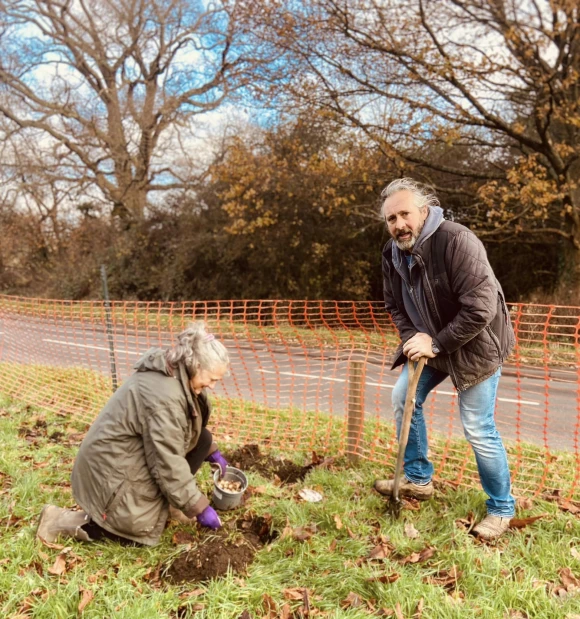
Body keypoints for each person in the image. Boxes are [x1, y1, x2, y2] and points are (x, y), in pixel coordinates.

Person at [374, 177, 516, 540]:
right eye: (391, 219)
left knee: (478, 428)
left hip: (474, 346)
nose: (398, 224)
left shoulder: (456, 240)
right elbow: (394, 305)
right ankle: (419, 478)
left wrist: (435, 343)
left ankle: (501, 509)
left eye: (405, 213)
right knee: (403, 398)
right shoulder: (392, 253)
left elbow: (481, 307)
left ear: (424, 211)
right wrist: (413, 339)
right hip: (430, 343)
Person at [36, 322, 230, 546]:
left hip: (125, 454)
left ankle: (172, 505)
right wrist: (198, 507)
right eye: (212, 379)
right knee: (133, 533)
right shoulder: (164, 397)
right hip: (108, 472)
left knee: (203, 440)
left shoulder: (179, 375)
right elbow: (167, 461)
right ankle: (58, 520)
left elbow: (183, 428)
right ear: (195, 365)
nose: (213, 386)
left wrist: (211, 451)